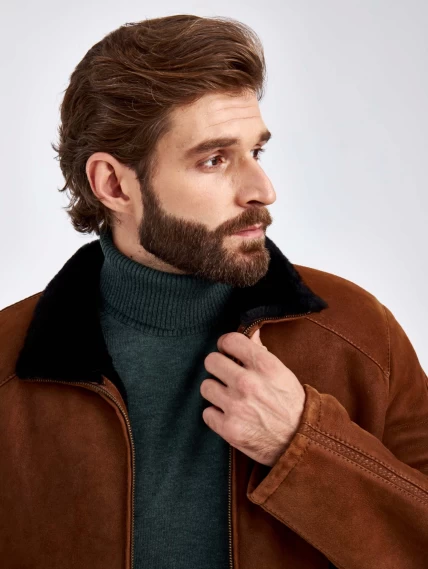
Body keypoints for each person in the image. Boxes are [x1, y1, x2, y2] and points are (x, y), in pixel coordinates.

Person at [1, 14, 427, 569]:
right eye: (214, 159)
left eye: (257, 153)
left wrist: (303, 446)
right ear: (114, 184)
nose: (262, 189)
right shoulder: (7, 364)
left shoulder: (358, 335)